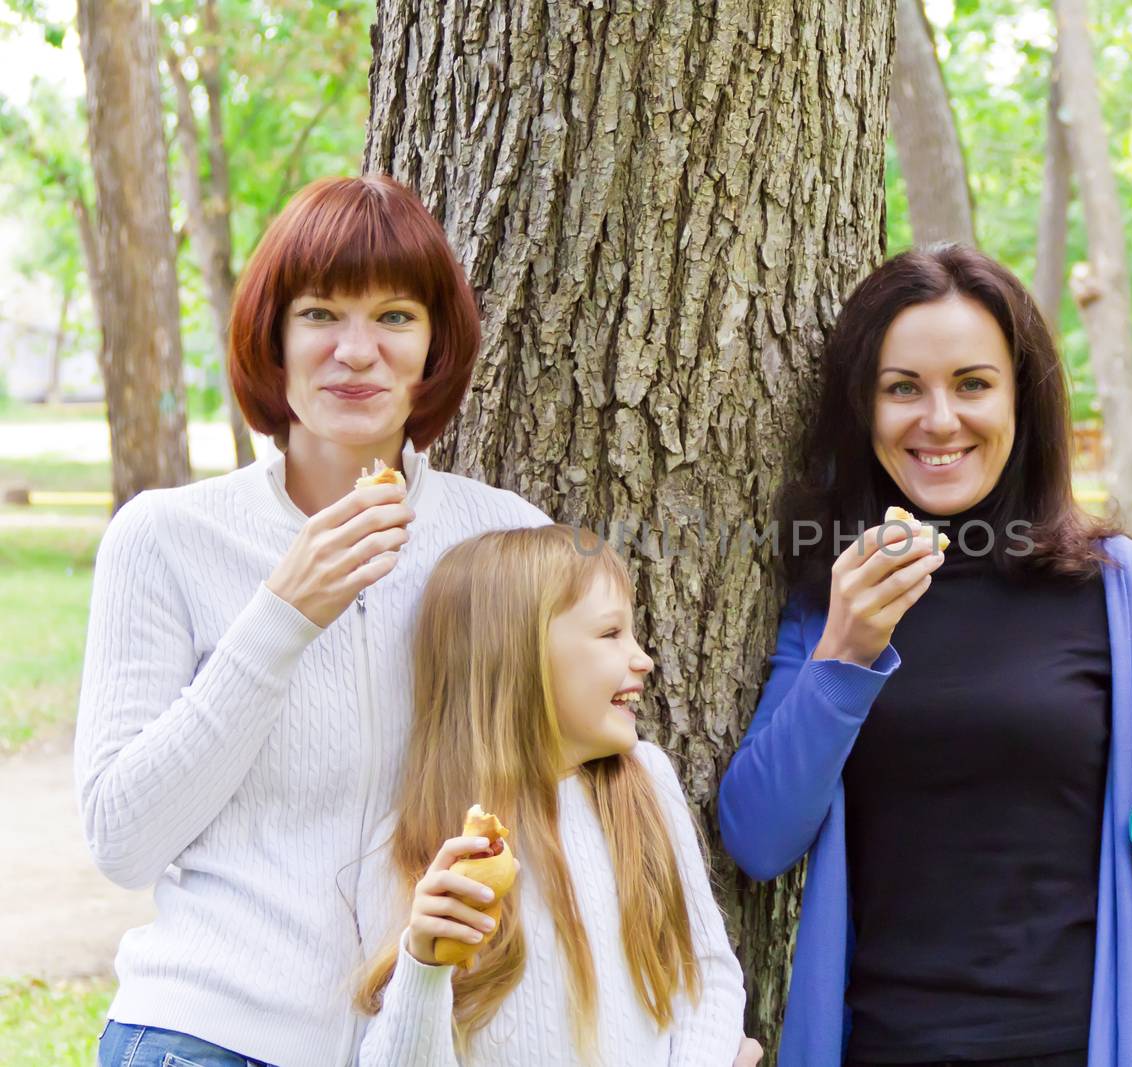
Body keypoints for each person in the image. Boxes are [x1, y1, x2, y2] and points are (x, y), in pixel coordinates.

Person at [77, 174, 555, 1066]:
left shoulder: (508, 538)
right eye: (320, 314)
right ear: (274, 338)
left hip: (429, 1039)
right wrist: (281, 617)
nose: (356, 352)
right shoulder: (167, 537)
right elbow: (121, 838)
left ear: (436, 346)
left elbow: (580, 813)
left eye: (396, 317)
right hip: (208, 1034)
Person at [718, 245, 1132, 1066]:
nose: (939, 419)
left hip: (1082, 1047)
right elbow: (758, 838)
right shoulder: (834, 597)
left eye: (973, 383)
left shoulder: (1131, 596)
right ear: (863, 407)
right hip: (883, 1048)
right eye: (904, 388)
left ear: (1022, 400)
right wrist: (846, 652)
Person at [353, 525, 747, 1065]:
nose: (643, 659)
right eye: (611, 634)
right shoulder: (412, 849)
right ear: (517, 654)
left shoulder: (643, 786)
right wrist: (423, 965)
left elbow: (709, 977)